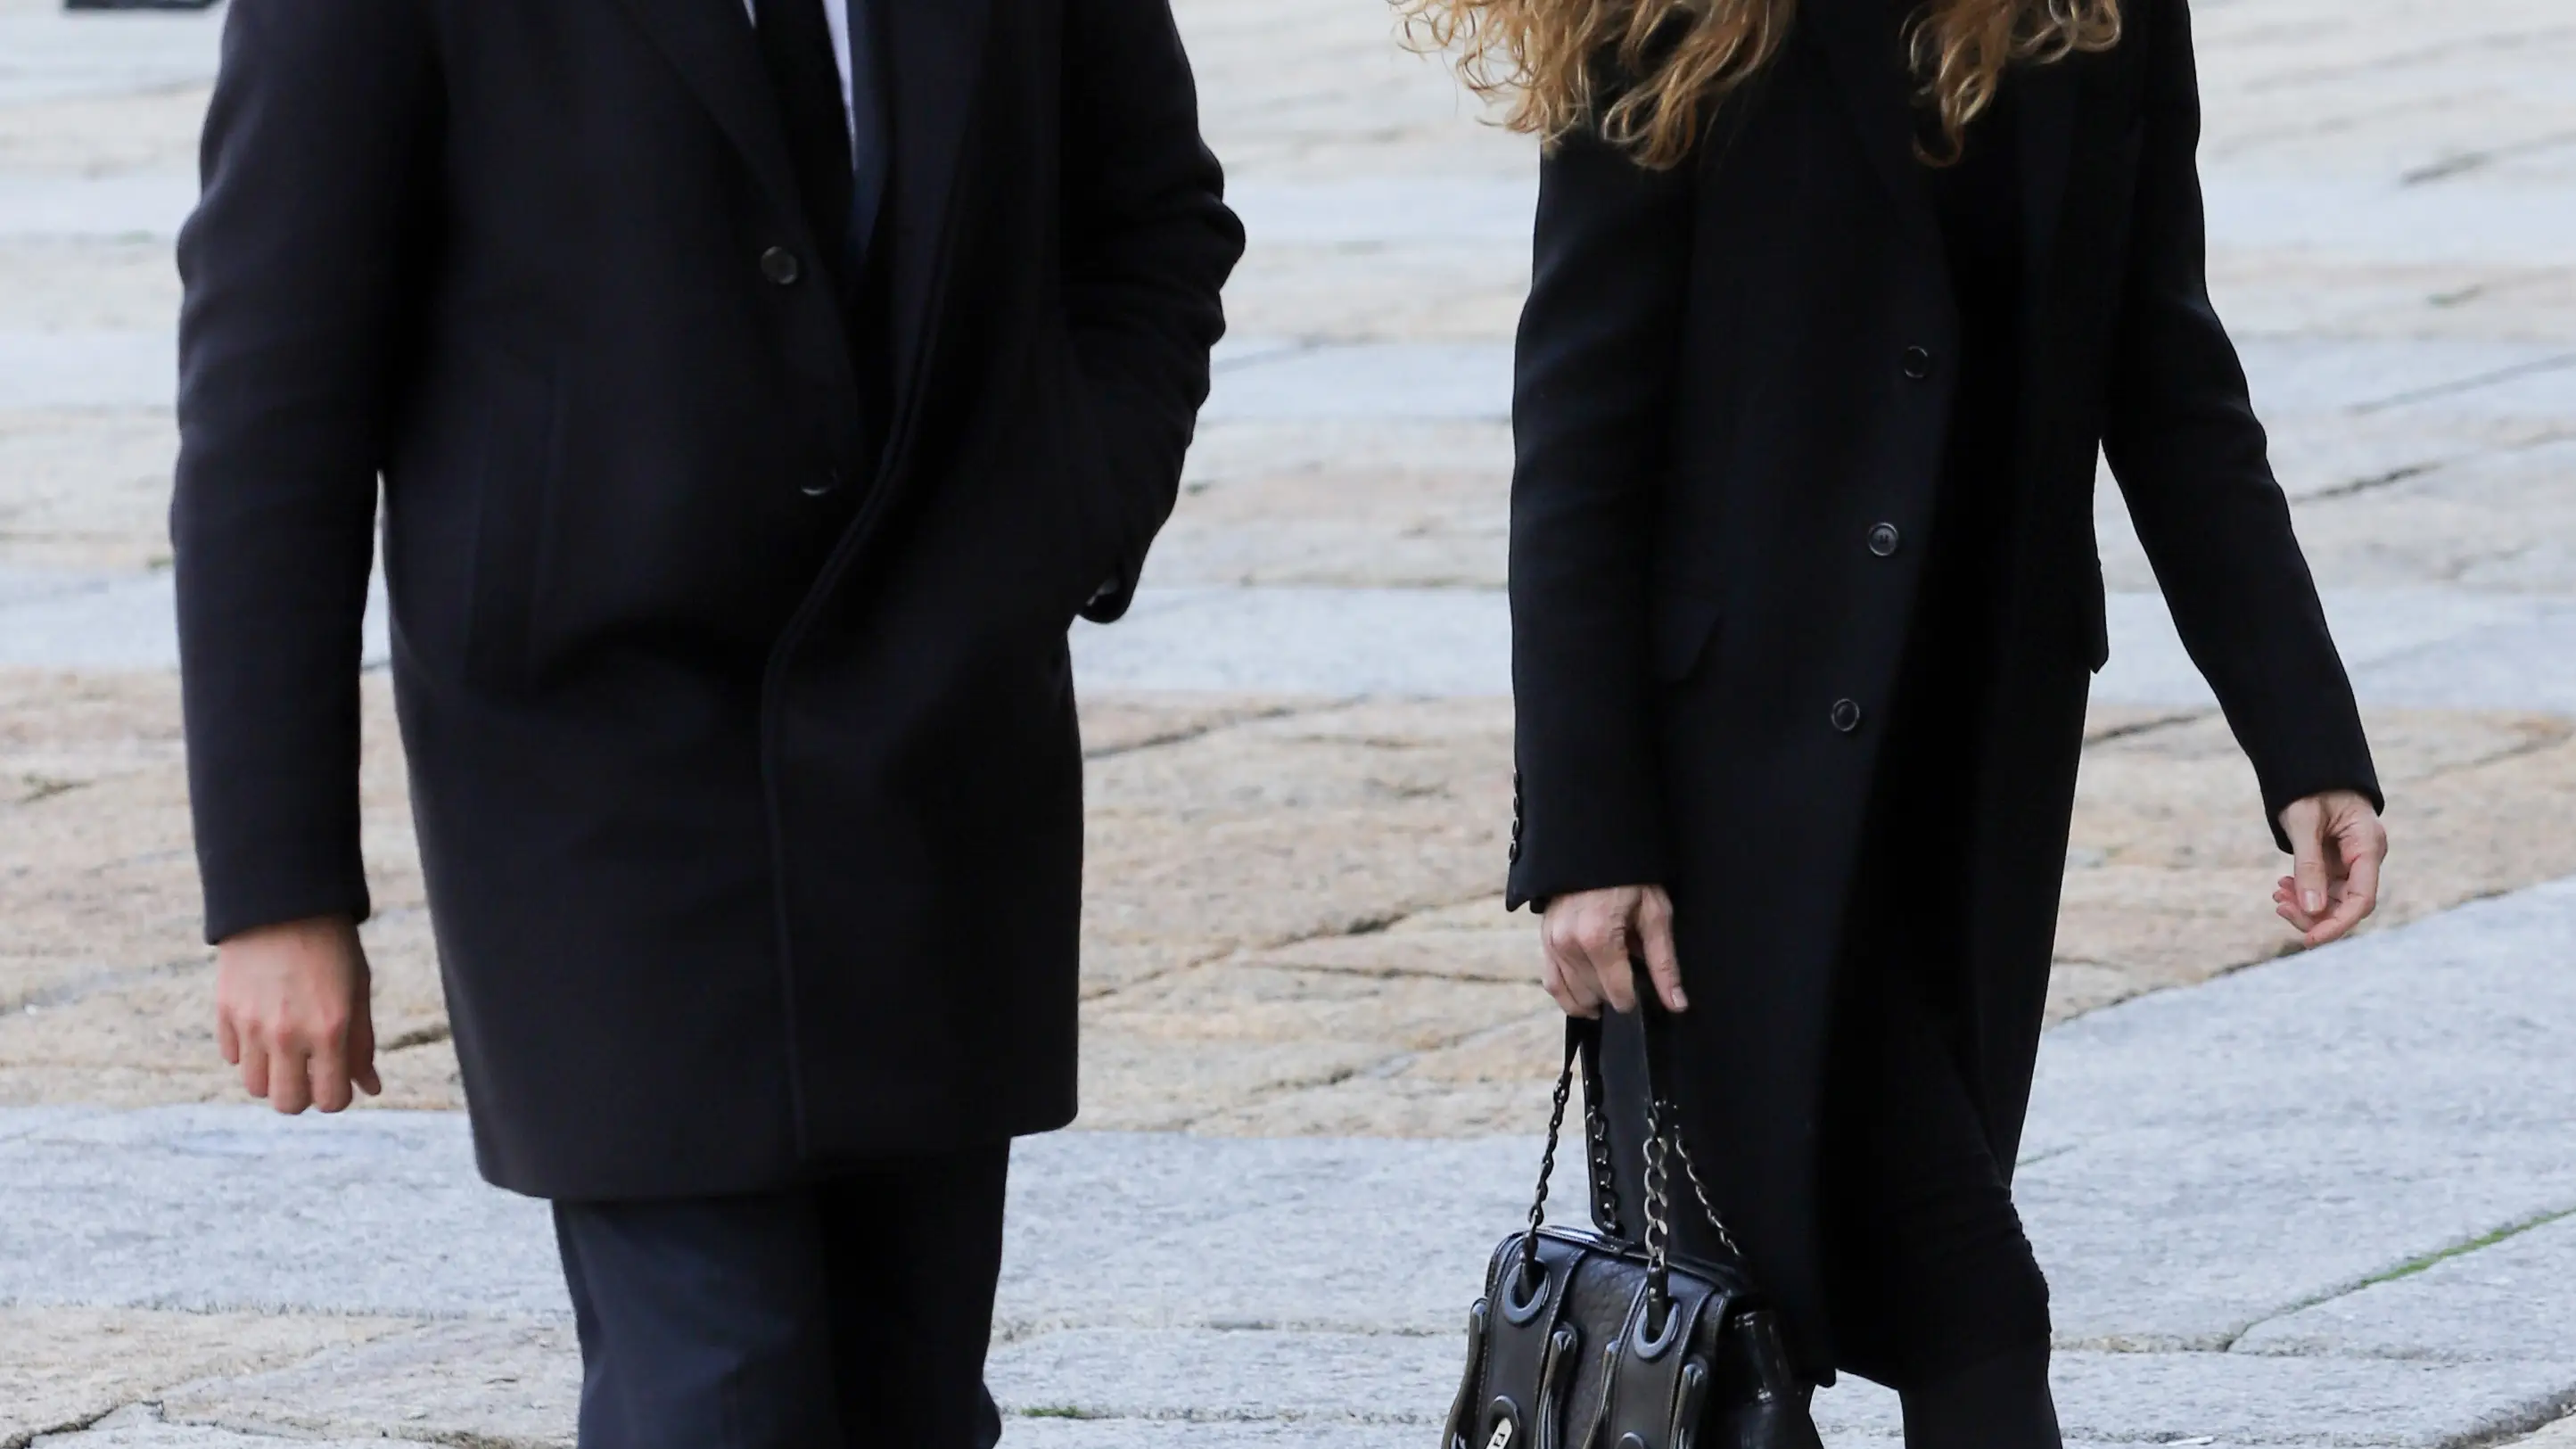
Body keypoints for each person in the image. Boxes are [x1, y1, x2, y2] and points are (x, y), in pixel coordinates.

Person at [172, 1, 1241, 1444]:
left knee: (909, 1399)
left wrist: (1063, 519)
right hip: (596, 801)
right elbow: (271, 400)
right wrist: (278, 887)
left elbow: (1153, 223)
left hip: (941, 765)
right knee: (715, 1390)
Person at [1403, 0, 2390, 1442]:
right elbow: (1577, 436)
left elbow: (2166, 368)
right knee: (1963, 1294)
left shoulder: (2097, 18)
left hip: (1970, 767)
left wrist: (2303, 736)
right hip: (1731, 798)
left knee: (1786, 1317)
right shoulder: (1674, 17)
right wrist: (1584, 826)